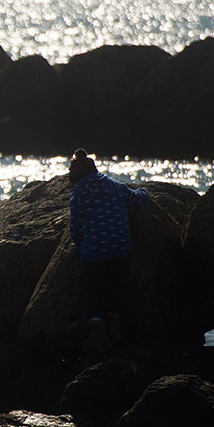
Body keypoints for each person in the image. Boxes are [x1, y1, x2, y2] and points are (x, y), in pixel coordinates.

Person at [67, 148, 148, 352]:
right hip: (120, 247)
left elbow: (75, 227)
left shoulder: (78, 194)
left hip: (94, 251)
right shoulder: (113, 185)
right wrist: (145, 192)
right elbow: (137, 199)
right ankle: (116, 331)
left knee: (90, 289)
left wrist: (80, 247)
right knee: (113, 286)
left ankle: (98, 335)